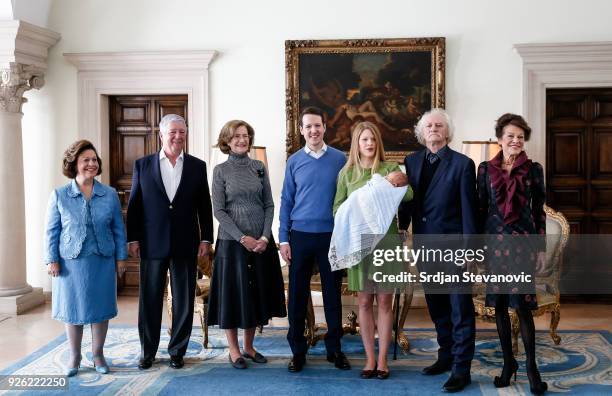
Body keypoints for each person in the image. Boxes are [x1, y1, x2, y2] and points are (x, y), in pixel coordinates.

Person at [398, 108, 477, 392]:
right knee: (437, 306)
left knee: (460, 309)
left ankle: (461, 368)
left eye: (439, 125)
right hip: (424, 245)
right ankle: (445, 357)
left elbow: (470, 211)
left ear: (447, 132)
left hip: (454, 246)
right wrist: (401, 225)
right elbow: (408, 201)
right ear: (422, 132)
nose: (433, 128)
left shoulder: (463, 164)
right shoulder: (412, 161)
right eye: (428, 125)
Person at [126, 114, 213, 370]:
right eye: (173, 132)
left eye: (182, 132)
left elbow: (204, 206)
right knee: (150, 299)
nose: (178, 137)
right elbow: (134, 206)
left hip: (186, 243)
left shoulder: (198, 166)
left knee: (184, 300)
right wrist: (133, 238)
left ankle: (177, 350)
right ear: (161, 135)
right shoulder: (142, 165)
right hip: (152, 244)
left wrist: (206, 237)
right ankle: (147, 352)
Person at [331, 121, 413, 379]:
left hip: (387, 242)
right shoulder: (347, 174)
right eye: (364, 139)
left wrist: (390, 183)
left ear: (378, 143)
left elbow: (408, 194)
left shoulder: (390, 169)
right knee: (365, 302)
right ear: (357, 143)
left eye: (373, 139)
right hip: (360, 245)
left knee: (385, 302)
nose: (369, 143)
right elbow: (337, 210)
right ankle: (368, 359)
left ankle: (382, 360)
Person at [476, 113, 548, 395]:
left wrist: (540, 247)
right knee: (501, 307)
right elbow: (481, 209)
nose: (516, 140)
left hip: (522, 245)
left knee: (522, 305)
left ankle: (532, 368)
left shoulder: (534, 169)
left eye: (520, 136)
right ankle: (508, 364)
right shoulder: (484, 170)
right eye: (510, 136)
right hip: (494, 244)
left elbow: (538, 209)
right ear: (500, 139)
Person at [44, 140, 127, 376]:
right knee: (73, 309)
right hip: (70, 263)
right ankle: (74, 356)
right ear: (74, 164)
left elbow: (118, 229)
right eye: (85, 160)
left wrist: (121, 258)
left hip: (102, 260)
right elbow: (51, 231)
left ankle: (98, 354)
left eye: (94, 160)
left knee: (100, 308)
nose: (91, 164)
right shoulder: (60, 195)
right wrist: (51, 259)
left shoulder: (109, 194)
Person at [207, 120, 287, 369]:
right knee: (233, 296)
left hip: (261, 245)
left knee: (254, 295)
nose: (242, 140)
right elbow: (219, 210)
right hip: (232, 244)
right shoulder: (220, 171)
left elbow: (268, 205)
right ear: (227, 141)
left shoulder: (258, 167)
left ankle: (249, 347)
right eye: (236, 136)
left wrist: (264, 238)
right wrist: (243, 238)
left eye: (245, 136)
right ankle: (234, 350)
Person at [279, 106, 349, 373]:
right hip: (300, 236)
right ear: (301, 130)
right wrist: (284, 239)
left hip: (331, 236)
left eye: (317, 125)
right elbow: (286, 201)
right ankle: (298, 351)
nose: (313, 130)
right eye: (308, 126)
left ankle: (335, 349)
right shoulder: (294, 161)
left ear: (324, 127)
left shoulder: (340, 159)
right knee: (297, 296)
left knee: (333, 295)